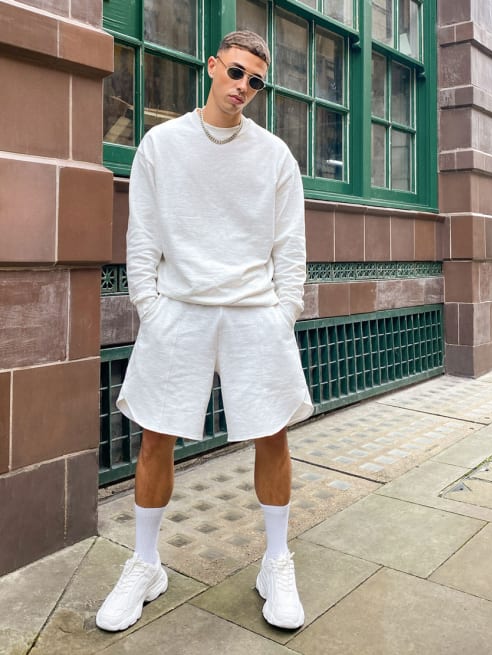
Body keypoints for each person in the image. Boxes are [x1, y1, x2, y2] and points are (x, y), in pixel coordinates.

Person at [96, 30, 313, 633]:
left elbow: (290, 244)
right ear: (213, 66)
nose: (243, 87)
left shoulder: (275, 155)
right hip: (179, 309)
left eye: (256, 81)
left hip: (255, 312)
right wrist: (150, 306)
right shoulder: (162, 144)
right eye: (236, 72)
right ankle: (145, 564)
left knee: (272, 434)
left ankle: (276, 561)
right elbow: (142, 234)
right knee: (156, 437)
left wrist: (284, 312)